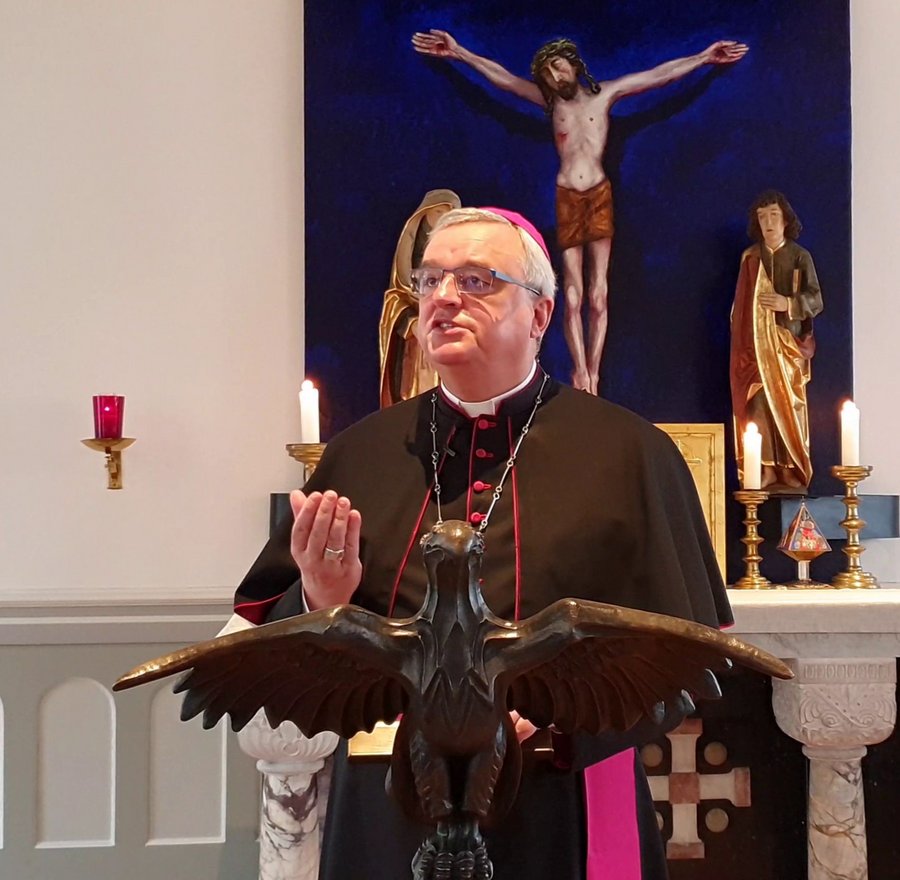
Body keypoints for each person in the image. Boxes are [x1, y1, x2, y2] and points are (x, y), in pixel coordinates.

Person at [234, 207, 732, 879]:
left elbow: (688, 662)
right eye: (430, 280)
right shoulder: (359, 455)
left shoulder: (632, 454)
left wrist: (563, 721)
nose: (443, 298)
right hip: (389, 808)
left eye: (476, 280)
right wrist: (320, 599)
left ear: (540, 314)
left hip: (560, 803)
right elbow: (266, 647)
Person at [411, 30, 748, 395]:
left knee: (599, 293)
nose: (556, 77)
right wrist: (459, 52)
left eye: (558, 67)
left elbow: (656, 77)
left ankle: (595, 376)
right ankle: (579, 374)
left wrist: (703, 58)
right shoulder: (552, 103)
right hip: (569, 196)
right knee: (572, 294)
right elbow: (505, 80)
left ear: (574, 65)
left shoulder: (605, 95)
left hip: (598, 194)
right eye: (548, 74)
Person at [730, 191, 823, 492]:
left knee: (787, 406)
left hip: (787, 345)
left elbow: (816, 299)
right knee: (758, 404)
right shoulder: (750, 257)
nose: (768, 222)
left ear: (785, 220)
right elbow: (739, 306)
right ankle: (766, 468)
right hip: (756, 348)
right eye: (762, 217)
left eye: (773, 215)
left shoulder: (799, 256)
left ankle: (792, 468)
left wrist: (788, 303)